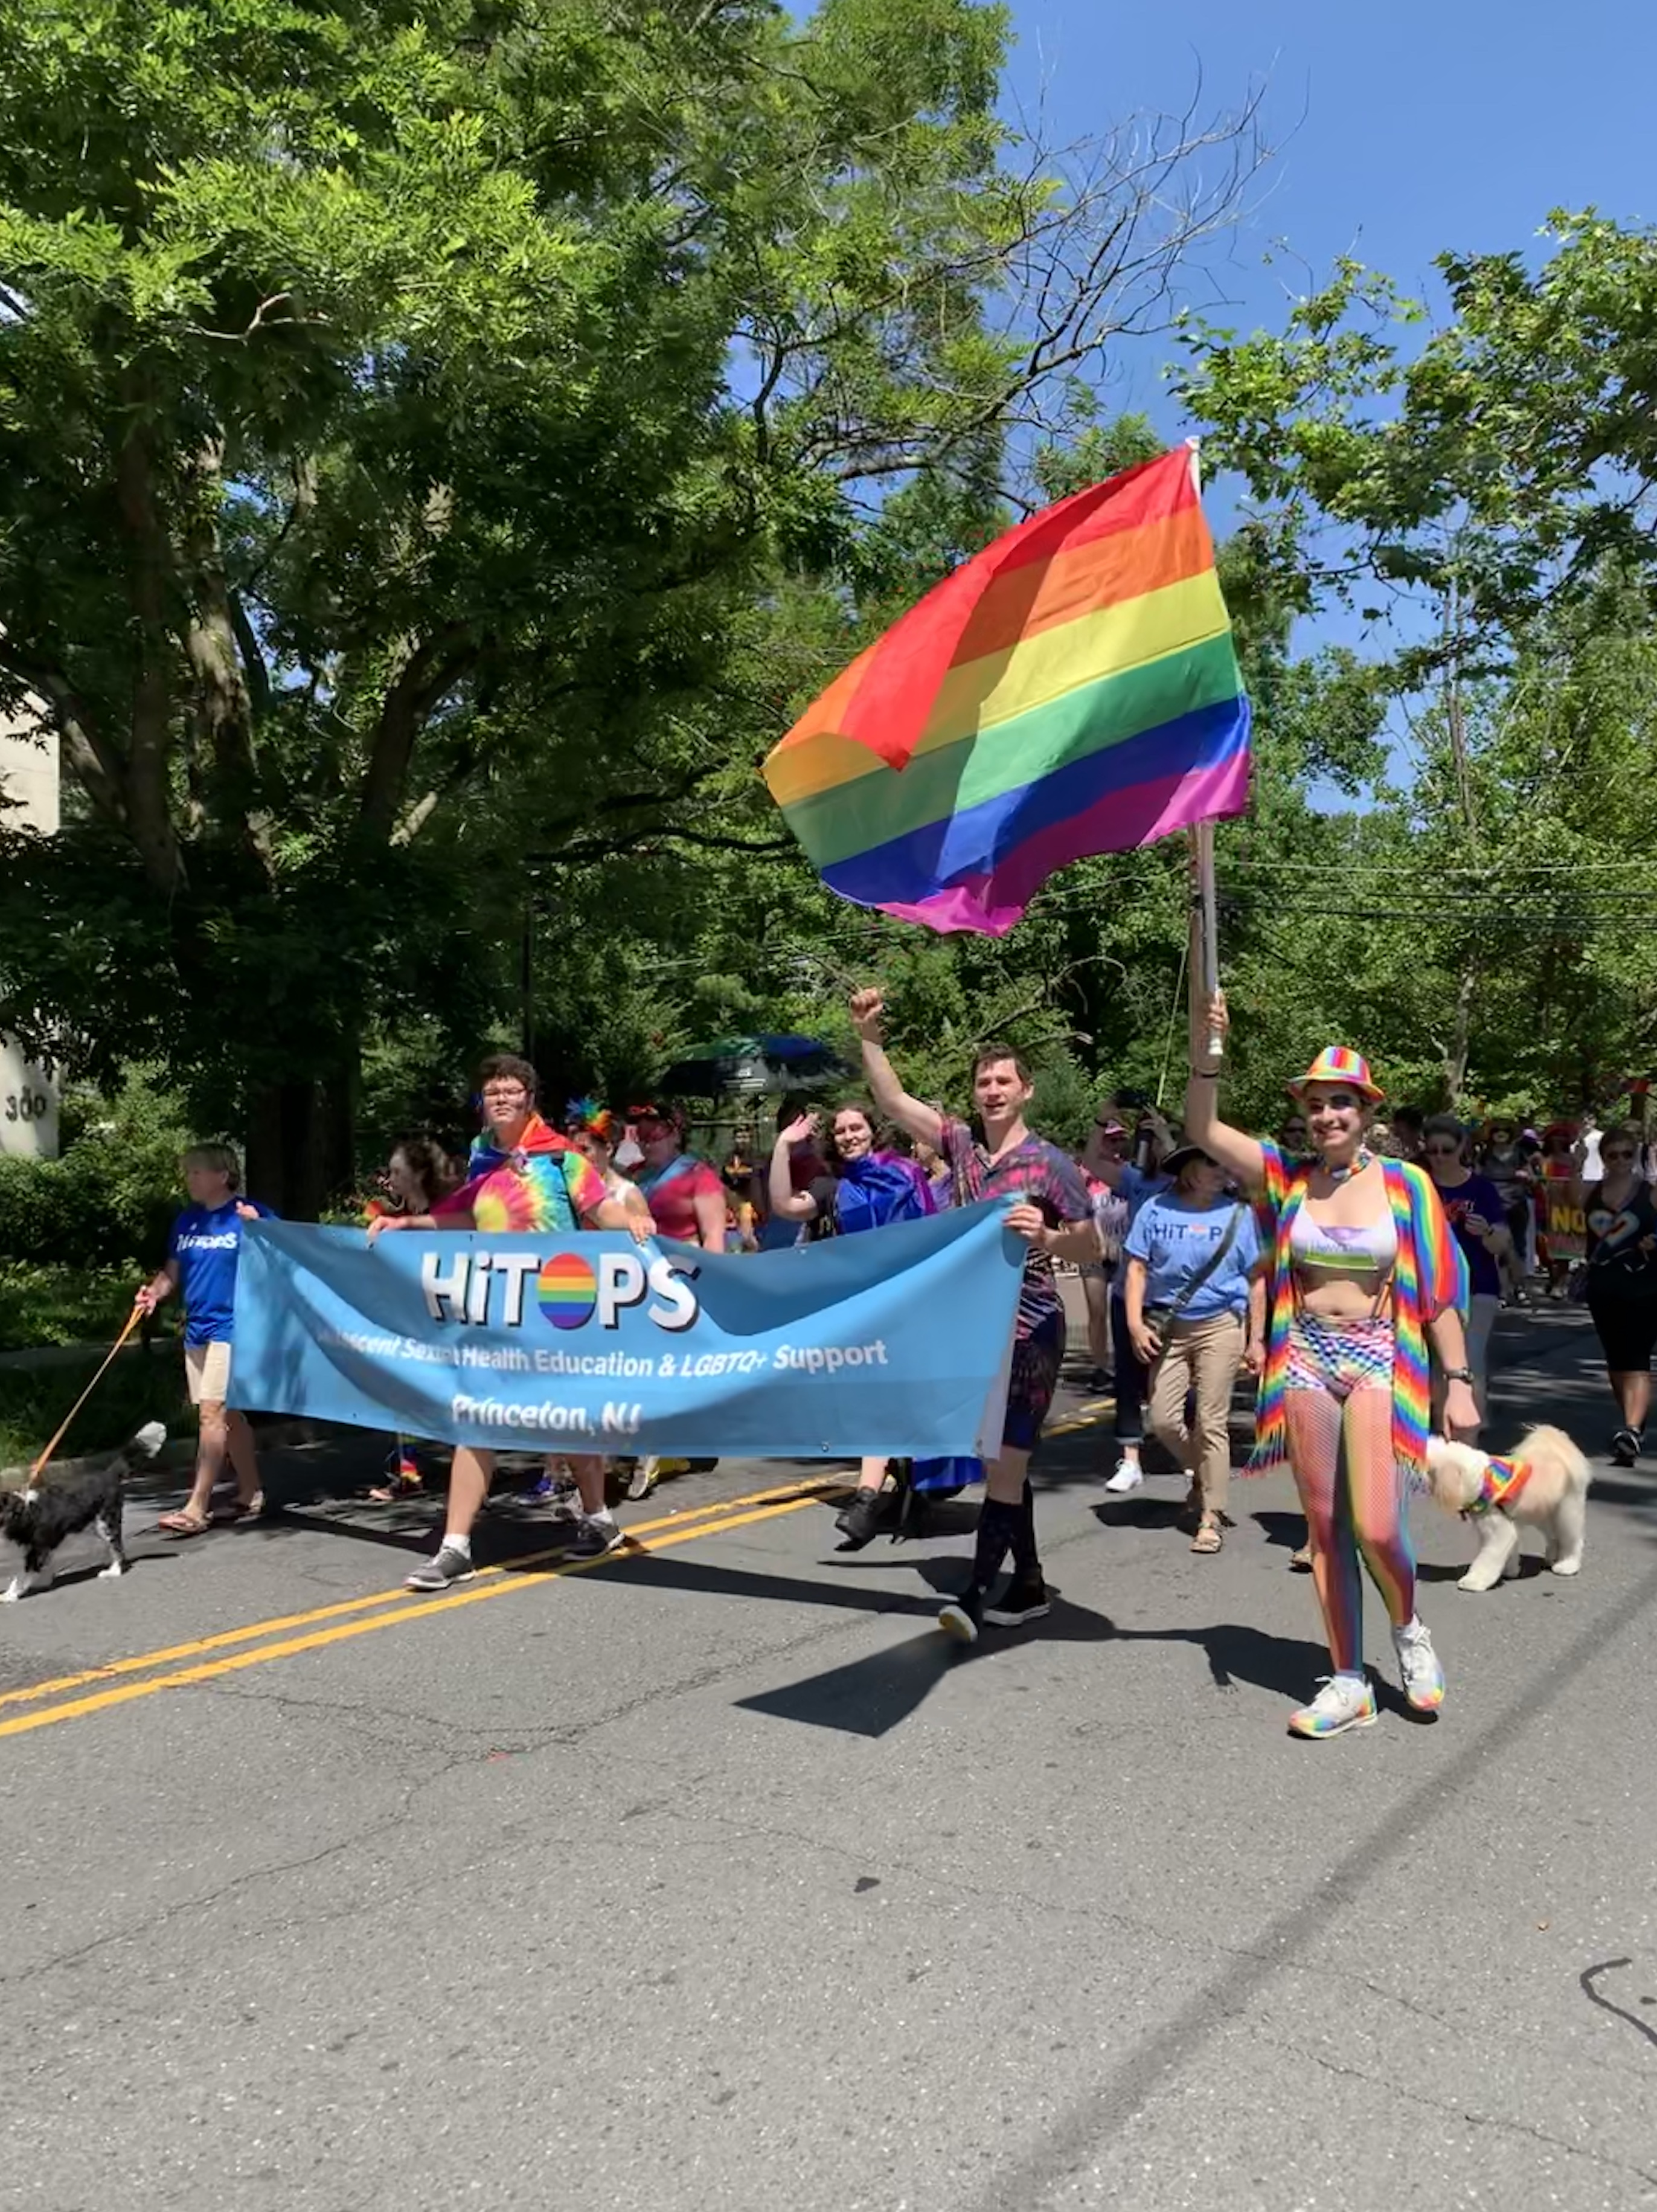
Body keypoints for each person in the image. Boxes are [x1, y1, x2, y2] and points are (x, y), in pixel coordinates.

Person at [1185, 956, 1478, 1740]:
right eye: (1317, 1105)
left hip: (1384, 1357)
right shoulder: (1285, 1178)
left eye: (1340, 1103)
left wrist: (1459, 1378)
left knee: (1379, 1526)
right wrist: (1208, 1053)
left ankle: (1409, 1629)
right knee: (1324, 1526)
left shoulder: (1406, 1185)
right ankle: (1349, 1680)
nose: (1327, 1116)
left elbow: (1438, 1288)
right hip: (1307, 1360)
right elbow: (1201, 1130)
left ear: (1366, 1111)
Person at [850, 989, 1098, 1640]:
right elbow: (892, 1103)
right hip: (973, 1333)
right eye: (982, 1081)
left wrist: (1047, 1239)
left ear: (1026, 1091)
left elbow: (1093, 1242)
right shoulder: (959, 1145)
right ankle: (1031, 1581)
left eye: (1002, 1081)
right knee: (1001, 1467)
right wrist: (869, 1038)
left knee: (1009, 1460)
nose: (990, 1090)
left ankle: (971, 1594)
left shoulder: (1049, 1163)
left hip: (1030, 1330)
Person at [370, 1056, 638, 1584]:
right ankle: (456, 1547)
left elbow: (606, 1215)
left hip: (557, 1310)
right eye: (492, 1090)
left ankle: (599, 1519)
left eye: (511, 1090)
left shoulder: (561, 1159)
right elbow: (467, 1216)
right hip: (492, 1308)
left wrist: (639, 1222)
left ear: (529, 1098)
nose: (500, 1098)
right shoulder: (481, 1157)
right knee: (475, 1419)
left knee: (568, 1424)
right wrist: (406, 1222)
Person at [768, 1101, 938, 1548]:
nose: (848, 1135)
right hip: (862, 1309)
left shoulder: (906, 1173)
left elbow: (933, 1232)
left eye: (856, 1127)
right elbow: (785, 1205)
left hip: (911, 1302)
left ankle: (882, 1493)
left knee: (899, 1400)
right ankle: (873, 1494)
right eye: (841, 1130)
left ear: (872, 1130)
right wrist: (784, 1147)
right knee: (873, 1400)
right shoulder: (832, 1187)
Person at [1121, 1142, 1265, 1554]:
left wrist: (1255, 1340)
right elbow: (1136, 1267)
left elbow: (1256, 1278)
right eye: (1211, 1163)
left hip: (1221, 1323)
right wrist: (1134, 1323)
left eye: (1225, 1164)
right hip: (1169, 1324)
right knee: (1164, 1420)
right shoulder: (1156, 1209)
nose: (1222, 1171)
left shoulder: (1239, 1214)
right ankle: (1202, 1474)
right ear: (1188, 1169)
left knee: (1211, 1420)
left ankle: (1210, 1516)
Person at [141, 1144, 275, 1538]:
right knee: (227, 1414)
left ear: (222, 1175)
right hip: (197, 1326)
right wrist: (153, 1294)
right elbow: (172, 1272)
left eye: (197, 1172)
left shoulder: (250, 1214)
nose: (190, 1180)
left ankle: (197, 1507)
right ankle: (251, 1491)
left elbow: (289, 1252)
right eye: (188, 1173)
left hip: (236, 1327)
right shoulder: (188, 1221)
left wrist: (262, 1229)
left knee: (211, 1414)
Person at [1082, 1099, 1175, 1492]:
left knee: (1169, 1377)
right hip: (1129, 1289)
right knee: (1127, 1378)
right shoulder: (1135, 1180)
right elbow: (1090, 1159)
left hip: (1170, 1294)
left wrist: (1166, 1134)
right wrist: (1102, 1118)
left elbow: (1182, 1163)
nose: (1148, 1144)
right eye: (1144, 1138)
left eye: (1154, 1139)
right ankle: (1131, 1459)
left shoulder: (1181, 1180)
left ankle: (1183, 1449)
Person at [364, 1137, 462, 1502]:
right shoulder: (391, 1215)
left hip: (448, 1319)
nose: (390, 1180)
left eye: (397, 1172)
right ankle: (408, 1474)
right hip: (408, 1317)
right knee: (401, 1393)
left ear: (420, 1173)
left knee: (451, 1398)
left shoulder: (447, 1210)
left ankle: (468, 1475)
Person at [1420, 1114, 1509, 1419]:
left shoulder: (1481, 1189)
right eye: (1433, 1151)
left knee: (1468, 1360)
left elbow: (1502, 1243)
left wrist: (1485, 1231)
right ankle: (1438, 1429)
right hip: (1429, 1286)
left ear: (1462, 1148)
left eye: (1447, 1150)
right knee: (1433, 1362)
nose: (1440, 1157)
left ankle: (1469, 1429)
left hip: (1477, 1285)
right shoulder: (1421, 1184)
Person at [1580, 1125, 1657, 1465]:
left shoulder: (1649, 1192)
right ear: (1604, 1157)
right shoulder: (1593, 1193)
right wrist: (1576, 1163)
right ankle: (1633, 1421)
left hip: (1646, 1283)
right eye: (1614, 1155)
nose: (1621, 1161)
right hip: (1603, 1284)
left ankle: (1631, 1429)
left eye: (1628, 1154)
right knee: (1616, 1360)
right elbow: (1565, 1204)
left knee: (1636, 1356)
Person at [1479, 1117, 1535, 1301]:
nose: (1501, 1133)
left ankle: (1520, 1286)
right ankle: (1503, 1290)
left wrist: (1525, 1176)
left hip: (1516, 1204)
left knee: (1518, 1245)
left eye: (1505, 1130)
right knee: (1499, 1248)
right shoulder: (1485, 1155)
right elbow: (1476, 1176)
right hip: (1493, 1205)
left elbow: (1532, 1177)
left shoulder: (1520, 1154)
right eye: (1497, 1130)